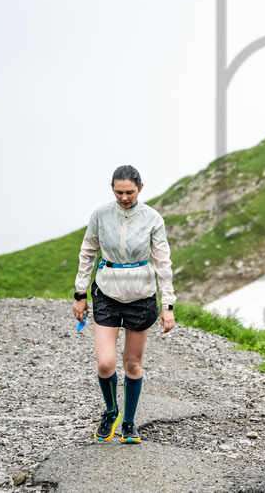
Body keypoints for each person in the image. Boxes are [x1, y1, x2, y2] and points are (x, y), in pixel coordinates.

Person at [72, 165, 176, 444]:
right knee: (106, 364)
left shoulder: (152, 218)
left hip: (141, 296)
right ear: (112, 189)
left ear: (140, 188)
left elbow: (163, 262)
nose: (124, 197)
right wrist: (80, 293)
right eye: (119, 192)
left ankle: (129, 422)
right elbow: (87, 252)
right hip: (106, 292)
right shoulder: (100, 215)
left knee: (132, 363)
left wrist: (168, 304)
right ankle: (111, 411)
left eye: (129, 192)